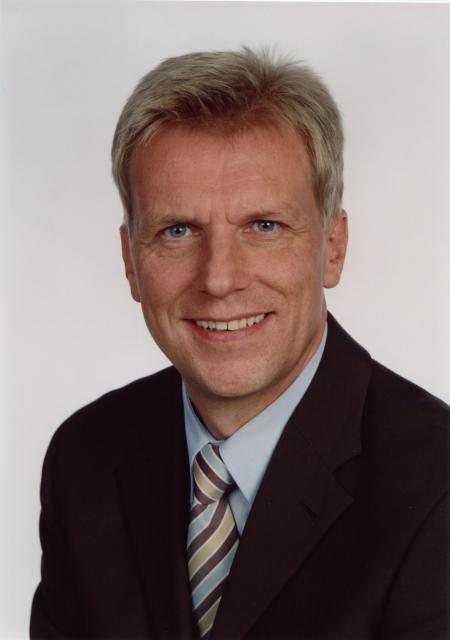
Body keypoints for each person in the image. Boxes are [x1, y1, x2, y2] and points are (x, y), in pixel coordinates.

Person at [30, 47, 449, 640]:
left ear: (333, 246)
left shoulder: (435, 485)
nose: (219, 279)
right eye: (178, 231)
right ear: (130, 261)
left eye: (264, 226)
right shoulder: (86, 459)